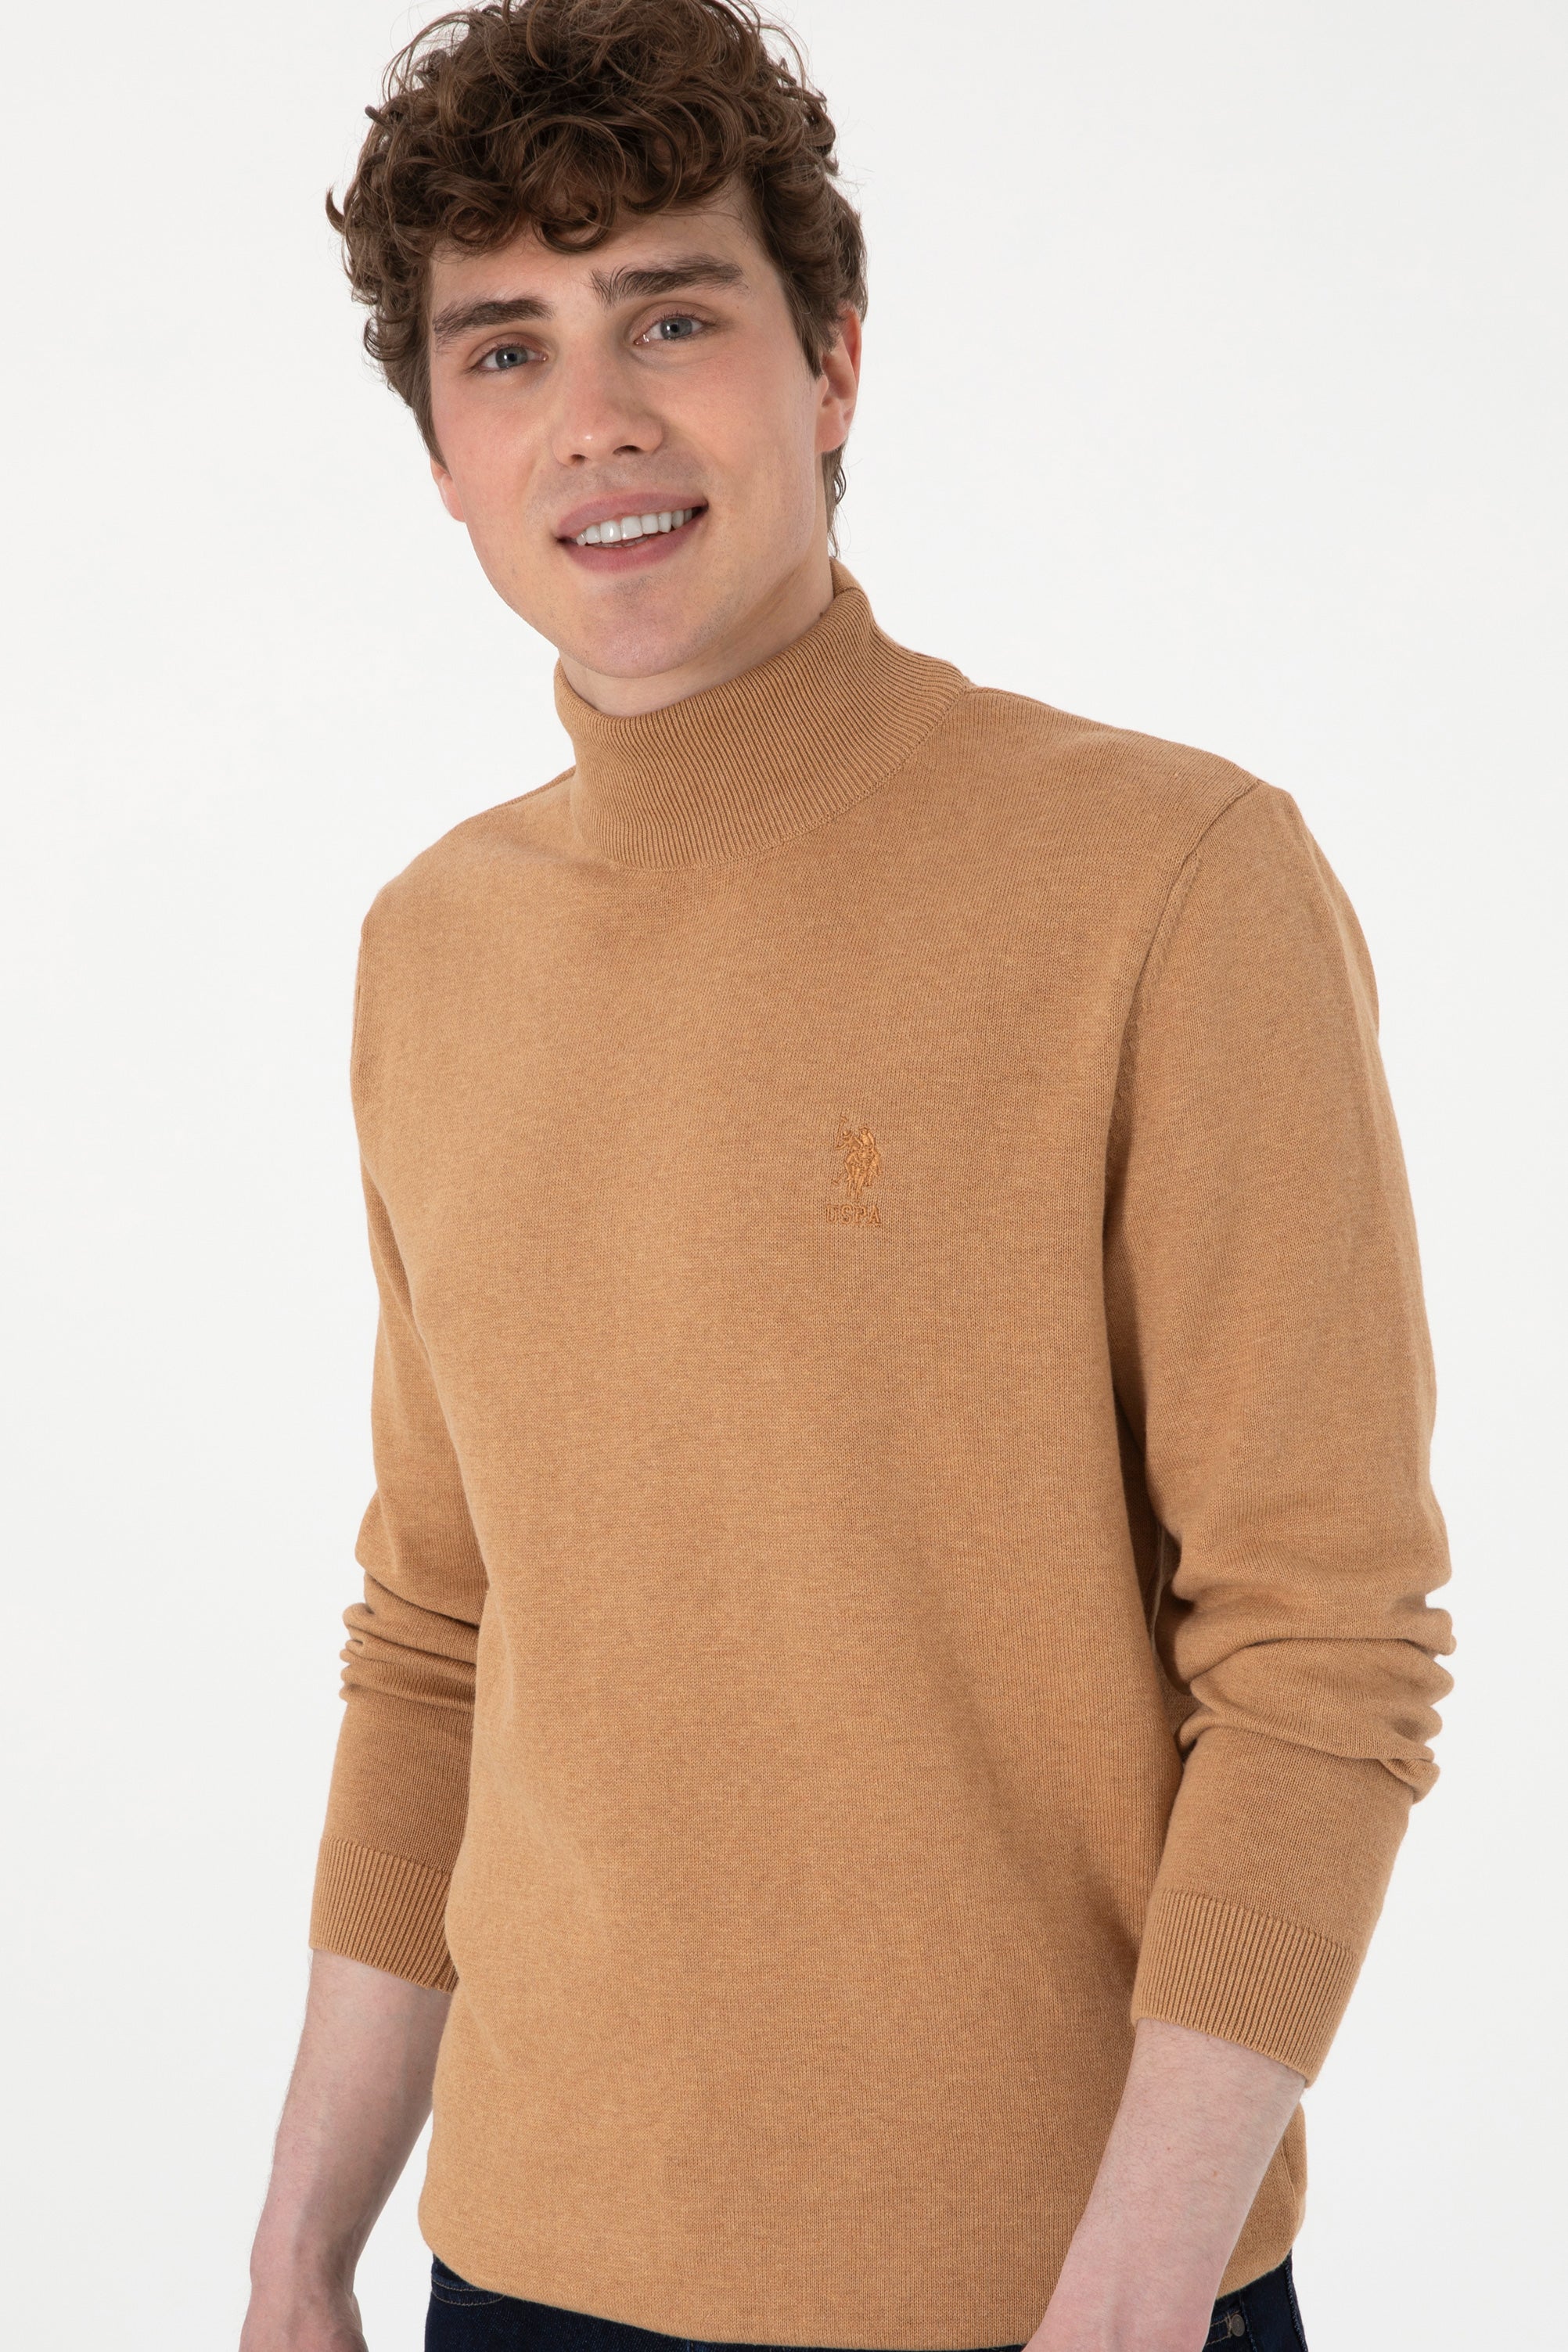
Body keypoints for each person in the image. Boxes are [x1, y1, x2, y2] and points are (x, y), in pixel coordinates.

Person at [240, 4, 1456, 2349]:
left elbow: (1324, 1655)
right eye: (507, 349)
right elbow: (440, 1631)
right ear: (446, 456)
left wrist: (1127, 2298)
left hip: (1058, 2296)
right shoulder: (432, 947)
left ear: (831, 367)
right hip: (520, 2275)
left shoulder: (1169, 877)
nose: (597, 417)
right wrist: (301, 2249)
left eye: (670, 315)